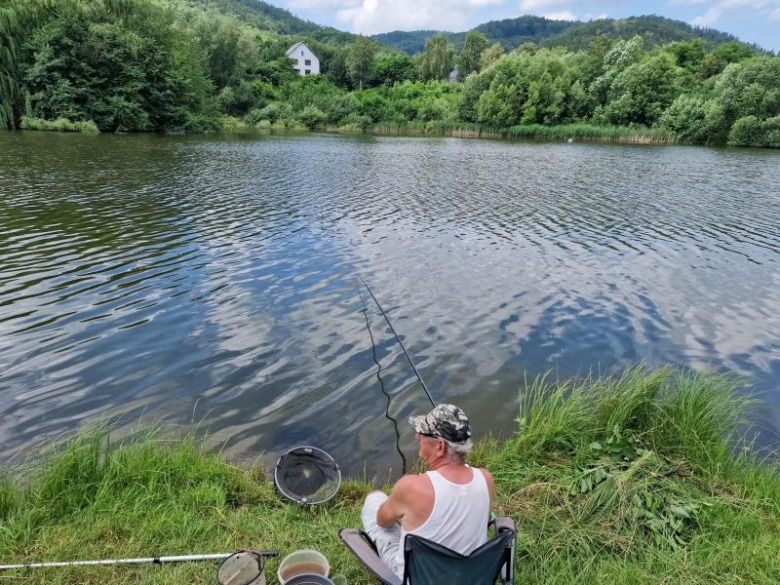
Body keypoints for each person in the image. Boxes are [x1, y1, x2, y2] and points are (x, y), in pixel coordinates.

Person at [360, 404, 495, 578]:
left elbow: (383, 521)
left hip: (420, 578)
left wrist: (405, 513)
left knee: (374, 498)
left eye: (423, 433)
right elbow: (484, 520)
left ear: (439, 446)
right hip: (470, 576)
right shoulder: (486, 478)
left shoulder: (411, 486)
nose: (417, 436)